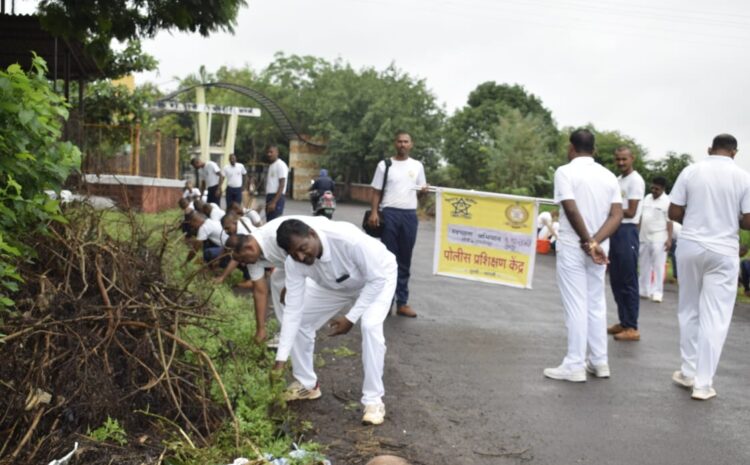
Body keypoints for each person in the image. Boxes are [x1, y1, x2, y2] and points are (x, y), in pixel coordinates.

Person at [273, 219, 397, 425]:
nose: (302, 257)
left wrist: (350, 317)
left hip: (377, 277)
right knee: (301, 318)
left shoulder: (348, 240)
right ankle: (307, 384)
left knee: (370, 325)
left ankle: (374, 401)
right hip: (334, 285)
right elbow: (293, 312)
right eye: (295, 254)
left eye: (303, 248)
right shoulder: (295, 262)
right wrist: (280, 360)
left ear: (312, 234)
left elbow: (376, 280)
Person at [668, 133, 750, 400]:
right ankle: (703, 385)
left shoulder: (691, 171)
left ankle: (688, 371)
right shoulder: (744, 176)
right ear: (734, 153)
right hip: (723, 250)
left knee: (689, 309)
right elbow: (748, 221)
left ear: (709, 149)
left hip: (691, 245)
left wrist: (697, 211)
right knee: (715, 316)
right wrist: (731, 215)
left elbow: (674, 213)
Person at [544, 128, 623, 383]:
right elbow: (617, 215)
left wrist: (587, 242)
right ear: (595, 150)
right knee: (596, 302)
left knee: (576, 304)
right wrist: (596, 242)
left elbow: (570, 208)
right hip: (601, 248)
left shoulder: (565, 171)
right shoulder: (609, 176)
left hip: (574, 246)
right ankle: (600, 362)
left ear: (571, 148)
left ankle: (575, 364)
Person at [231, 215, 332, 344]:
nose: (243, 264)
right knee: (277, 278)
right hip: (293, 262)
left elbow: (305, 260)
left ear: (250, 248)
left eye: (242, 260)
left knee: (304, 292)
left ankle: (300, 333)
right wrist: (260, 329)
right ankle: (286, 332)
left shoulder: (275, 239)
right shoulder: (251, 257)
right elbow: (260, 291)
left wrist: (290, 286)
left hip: (317, 247)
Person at [367, 131, 428, 318]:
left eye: (406, 142)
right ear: (395, 143)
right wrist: (375, 212)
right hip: (389, 213)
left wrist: (424, 191)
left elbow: (421, 193)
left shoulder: (417, 166)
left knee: (405, 259)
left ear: (411, 144)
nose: (402, 144)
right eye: (400, 141)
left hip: (409, 215)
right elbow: (376, 191)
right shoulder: (385, 165)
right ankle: (386, 302)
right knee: (388, 259)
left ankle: (402, 302)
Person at [607, 146, 645, 342]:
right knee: (616, 279)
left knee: (628, 281)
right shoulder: (618, 180)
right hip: (615, 230)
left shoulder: (636, 180)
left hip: (627, 231)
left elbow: (631, 211)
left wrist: (610, 213)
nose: (621, 162)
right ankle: (623, 321)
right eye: (618, 159)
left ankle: (632, 326)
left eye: (624, 159)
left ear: (632, 158)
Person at [638, 176, 673, 303]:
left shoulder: (667, 201)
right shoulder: (647, 198)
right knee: (643, 264)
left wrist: (669, 239)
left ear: (663, 189)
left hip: (659, 237)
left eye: (657, 189)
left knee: (658, 266)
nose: (653, 190)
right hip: (644, 236)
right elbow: (641, 217)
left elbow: (670, 222)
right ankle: (644, 290)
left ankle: (657, 292)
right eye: (652, 187)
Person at [265, 145, 288, 221]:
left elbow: (282, 184)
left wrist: (274, 202)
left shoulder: (280, 165)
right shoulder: (271, 165)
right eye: (268, 152)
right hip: (270, 196)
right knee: (269, 221)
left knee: (274, 222)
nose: (269, 154)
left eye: (271, 152)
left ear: (277, 153)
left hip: (277, 197)